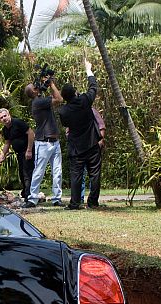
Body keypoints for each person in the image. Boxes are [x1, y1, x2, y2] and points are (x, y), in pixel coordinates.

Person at [58, 59, 103, 210]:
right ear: (76, 93)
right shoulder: (84, 100)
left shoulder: (63, 111)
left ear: (64, 98)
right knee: (94, 174)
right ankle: (92, 202)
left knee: (76, 176)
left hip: (76, 147)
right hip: (92, 143)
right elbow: (93, 87)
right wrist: (88, 70)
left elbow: (65, 124)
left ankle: (75, 203)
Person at [23, 75, 63, 208]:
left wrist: (46, 84)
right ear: (33, 92)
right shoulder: (38, 102)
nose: (37, 87)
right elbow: (59, 98)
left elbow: (53, 96)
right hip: (43, 142)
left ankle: (57, 198)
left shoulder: (41, 100)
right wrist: (51, 84)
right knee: (39, 171)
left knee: (57, 172)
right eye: (35, 87)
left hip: (54, 141)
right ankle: (32, 198)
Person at [0, 108, 34, 203]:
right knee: (22, 174)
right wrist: (1, 157)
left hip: (27, 152)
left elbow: (31, 133)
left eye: (5, 116)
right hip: (19, 153)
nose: (4, 118)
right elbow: (7, 143)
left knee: (27, 174)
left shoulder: (18, 123)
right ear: (0, 120)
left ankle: (29, 197)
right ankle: (26, 194)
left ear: (9, 115)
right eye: (1, 117)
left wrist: (29, 150)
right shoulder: (5, 130)